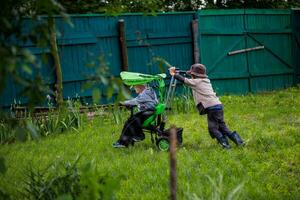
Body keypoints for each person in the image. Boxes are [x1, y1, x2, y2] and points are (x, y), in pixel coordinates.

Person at [169, 64, 244, 149]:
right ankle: (239, 142)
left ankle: (225, 144)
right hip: (218, 106)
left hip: (212, 108)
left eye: (192, 74)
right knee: (222, 127)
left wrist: (174, 74)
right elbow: (189, 76)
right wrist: (181, 72)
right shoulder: (205, 80)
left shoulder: (196, 82)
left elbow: (184, 80)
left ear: (194, 75)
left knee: (212, 128)